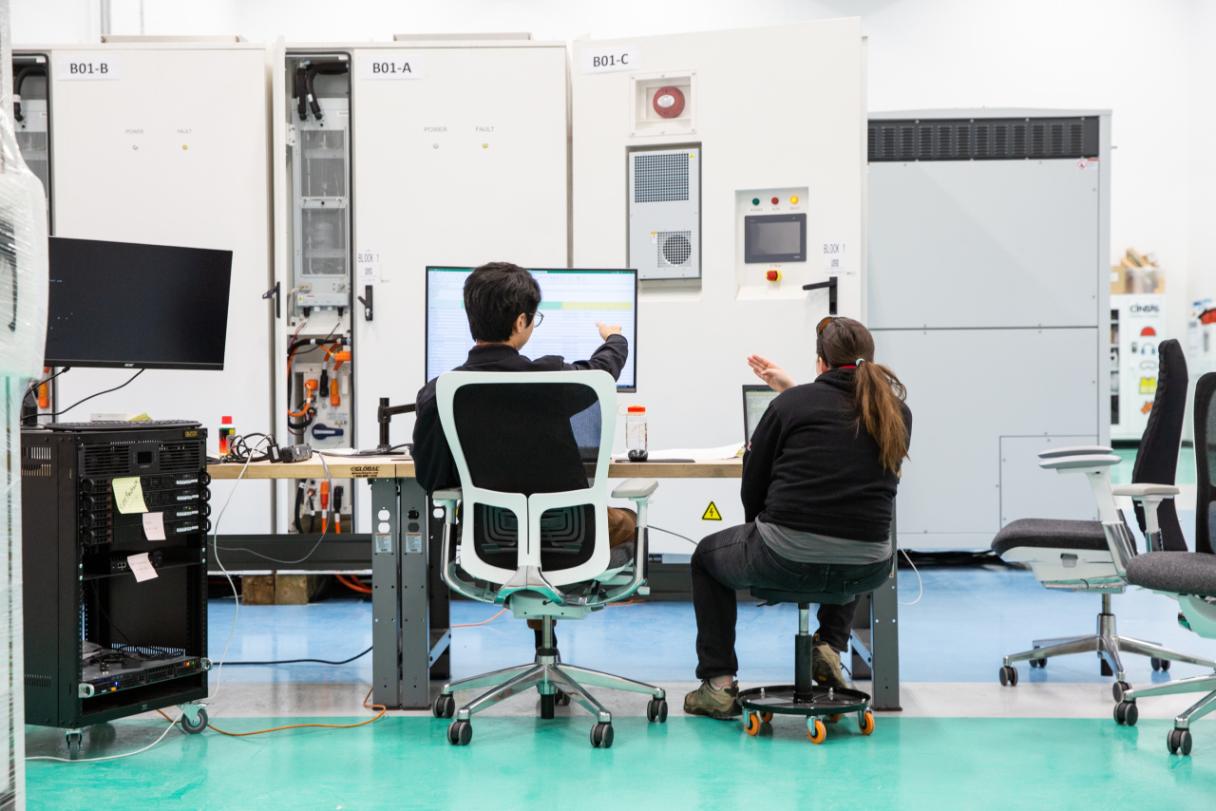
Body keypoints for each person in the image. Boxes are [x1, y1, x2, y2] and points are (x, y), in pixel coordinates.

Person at [683, 316, 912, 719]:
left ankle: (718, 686)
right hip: (870, 568)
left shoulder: (789, 406)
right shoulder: (896, 413)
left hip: (783, 558)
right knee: (847, 527)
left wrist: (759, 534)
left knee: (706, 557)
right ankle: (829, 647)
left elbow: (753, 482)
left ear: (820, 361)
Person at [412, 261, 637, 641]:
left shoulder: (441, 393)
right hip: (573, 543)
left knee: (527, 534)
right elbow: (601, 372)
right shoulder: (552, 381)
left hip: (491, 545)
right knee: (628, 521)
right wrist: (616, 338)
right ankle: (551, 625)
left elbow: (432, 480)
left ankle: (541, 632)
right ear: (520, 322)